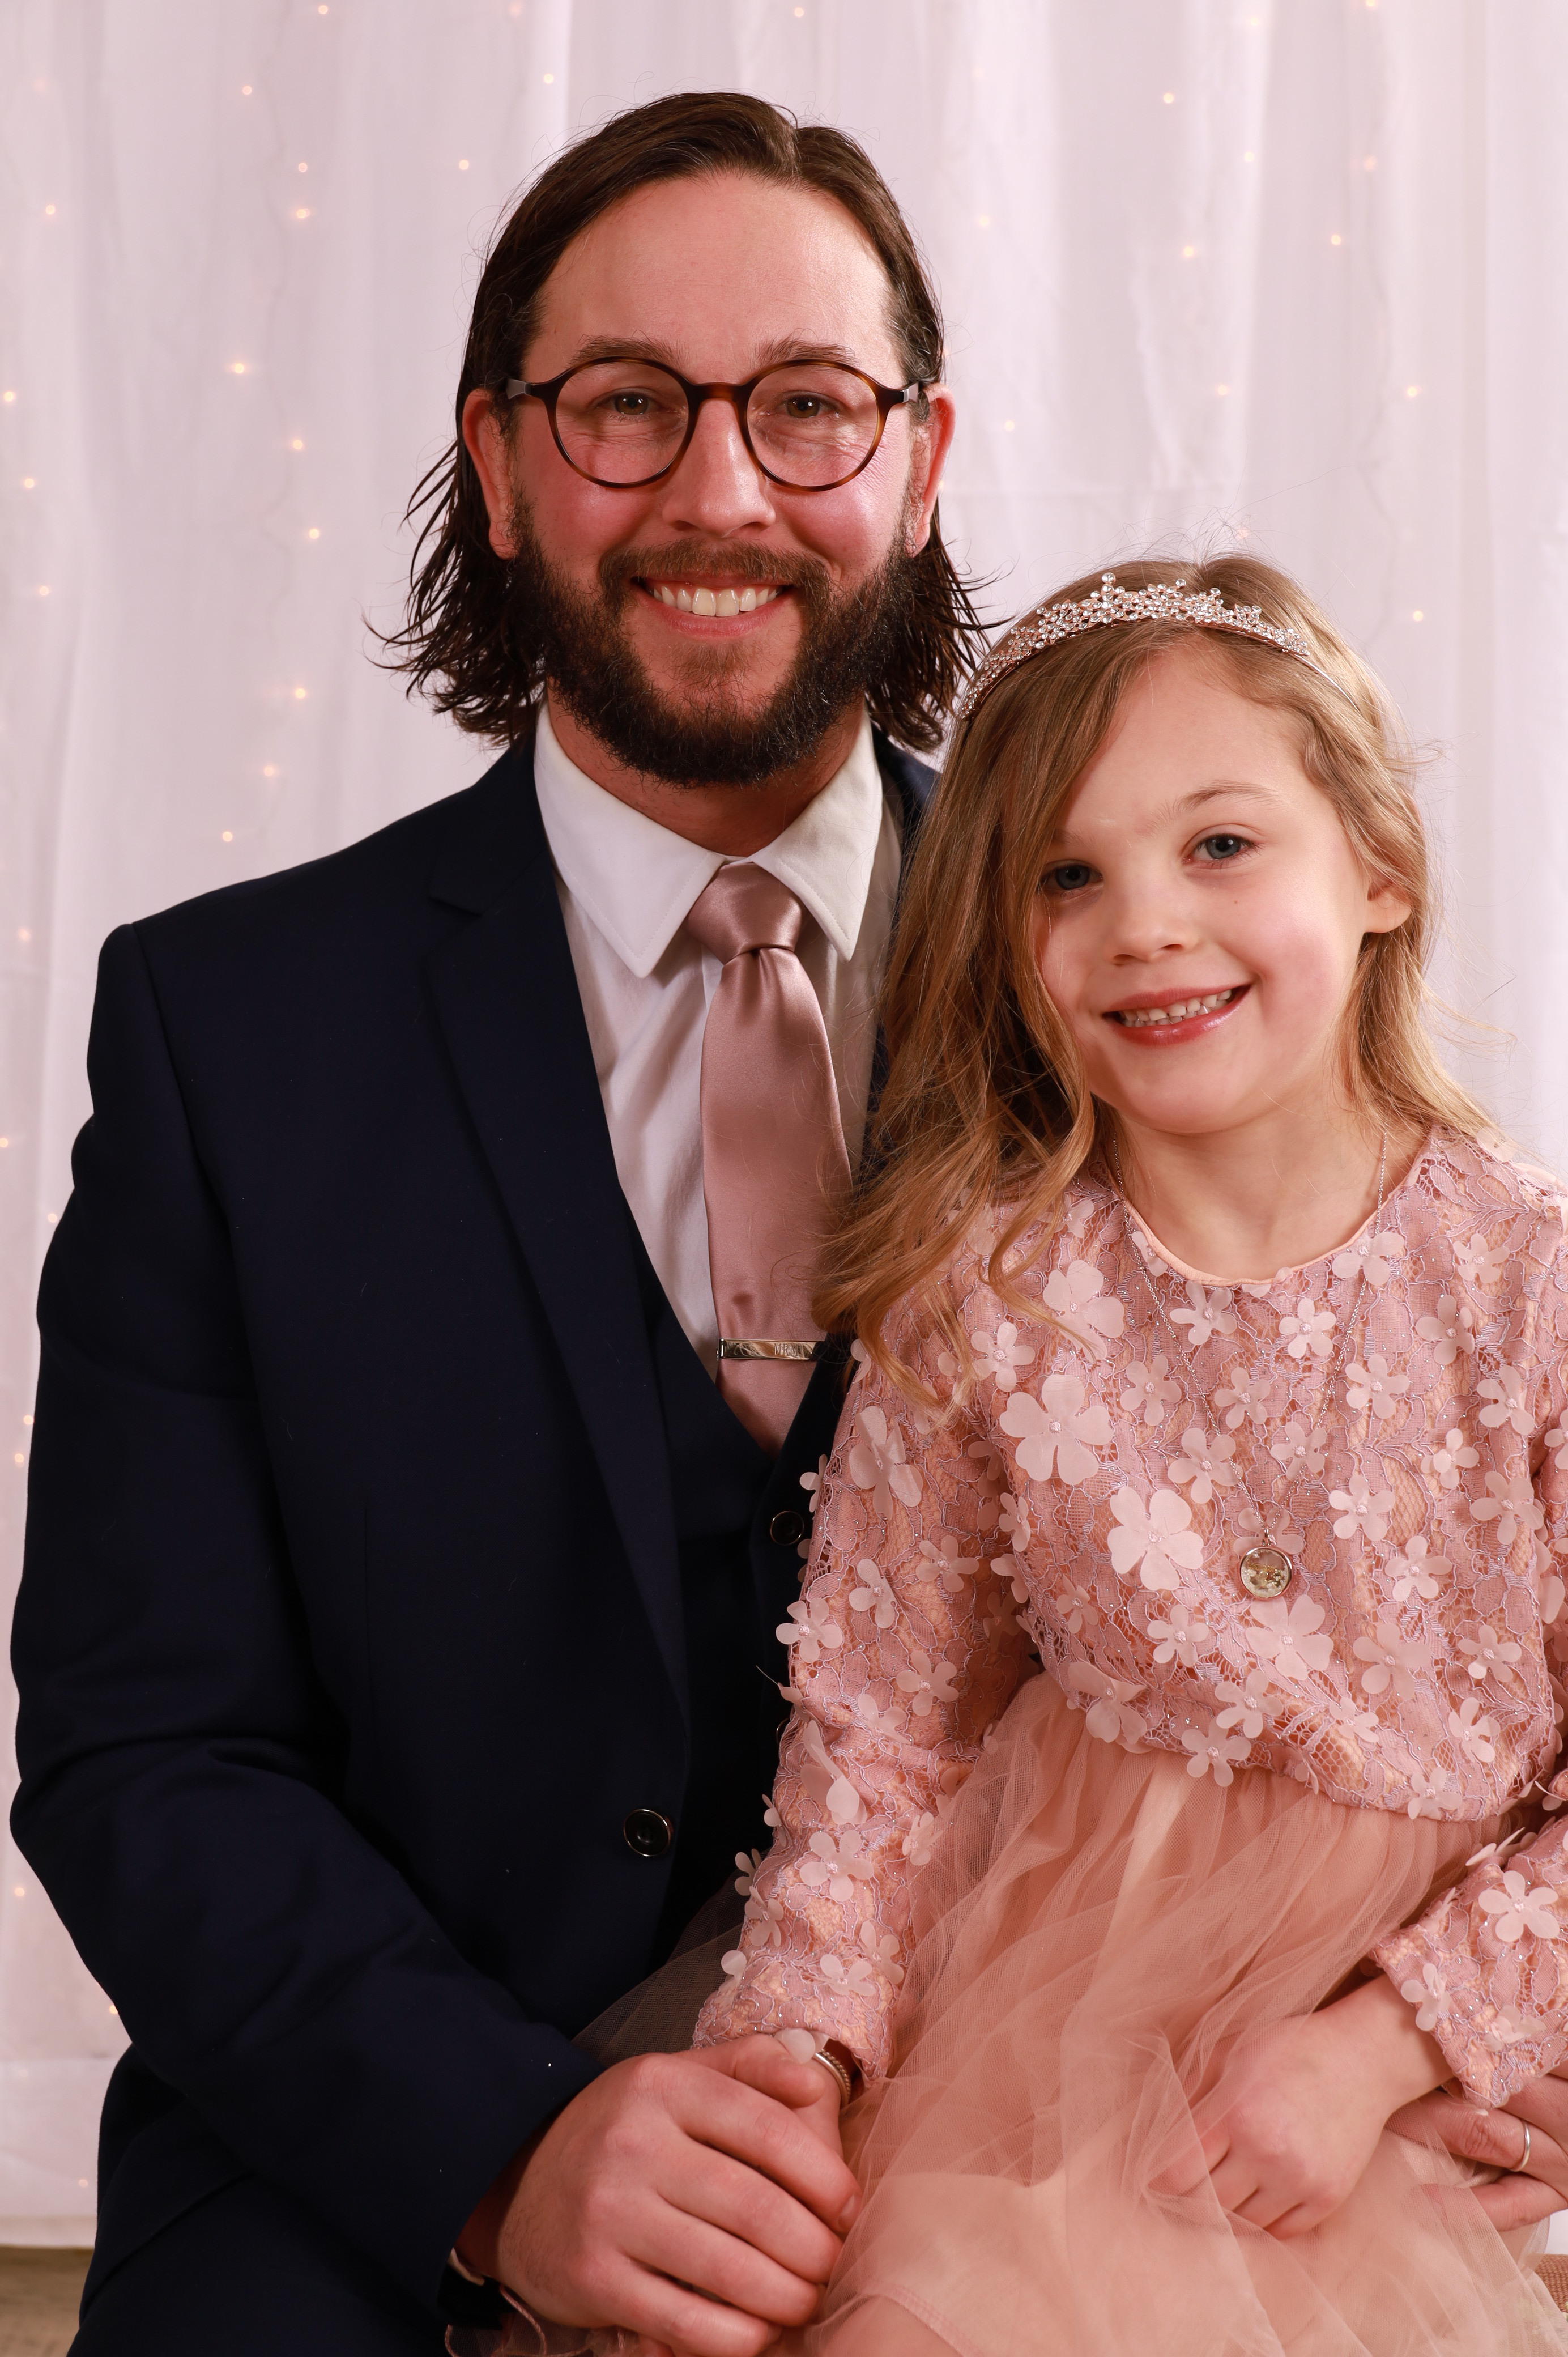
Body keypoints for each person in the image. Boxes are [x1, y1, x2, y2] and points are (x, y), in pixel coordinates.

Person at [9, 92, 974, 2356]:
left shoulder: (1132, 980)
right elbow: (147, 1747)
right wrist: (500, 2147)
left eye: (806, 404)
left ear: (921, 459)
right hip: (358, 2179)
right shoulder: (227, 1032)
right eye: (627, 403)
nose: (718, 492)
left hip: (1007, 2128)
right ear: (506, 461)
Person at [696, 557, 1568, 2352]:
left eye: (1220, 845)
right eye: (1067, 876)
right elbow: (883, 1726)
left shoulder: (1529, 1287)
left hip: (1373, 2069)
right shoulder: (985, 1294)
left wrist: (1384, 2046)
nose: (1146, 925)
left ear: (1380, 869)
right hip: (1034, 2043)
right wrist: (798, 2048)